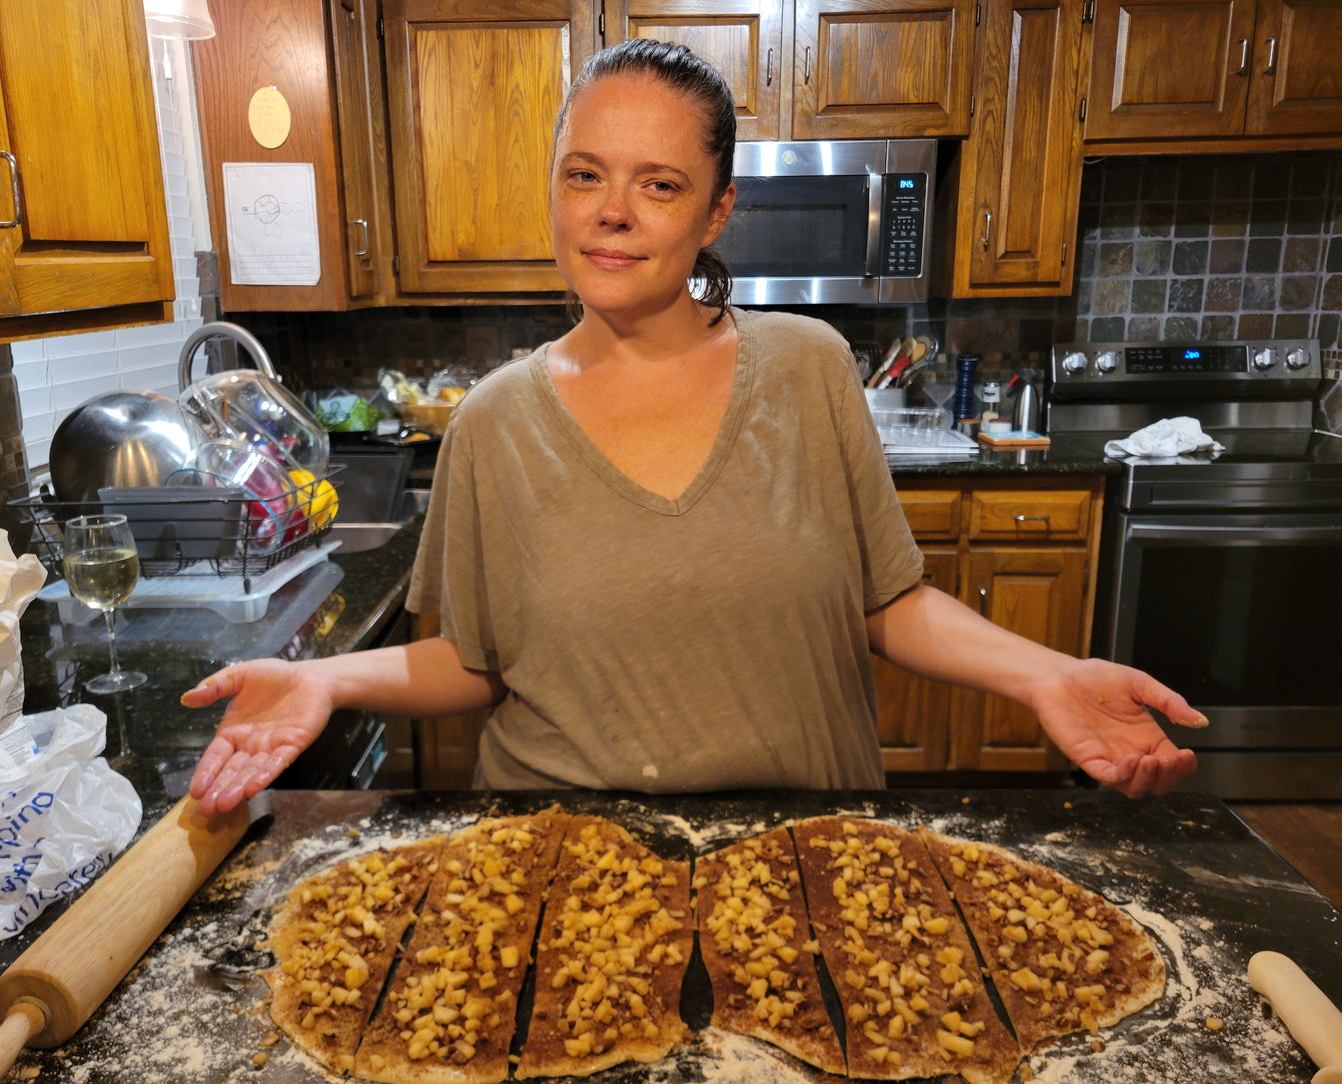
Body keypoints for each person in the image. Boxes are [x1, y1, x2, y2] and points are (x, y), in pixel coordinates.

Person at [182, 39, 1207, 818]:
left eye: (658, 183)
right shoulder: (493, 421)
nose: (611, 211)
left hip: (809, 844)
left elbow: (887, 604)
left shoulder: (807, 368)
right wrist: (319, 680)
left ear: (715, 211)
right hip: (562, 853)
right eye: (584, 174)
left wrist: (1046, 674)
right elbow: (472, 660)